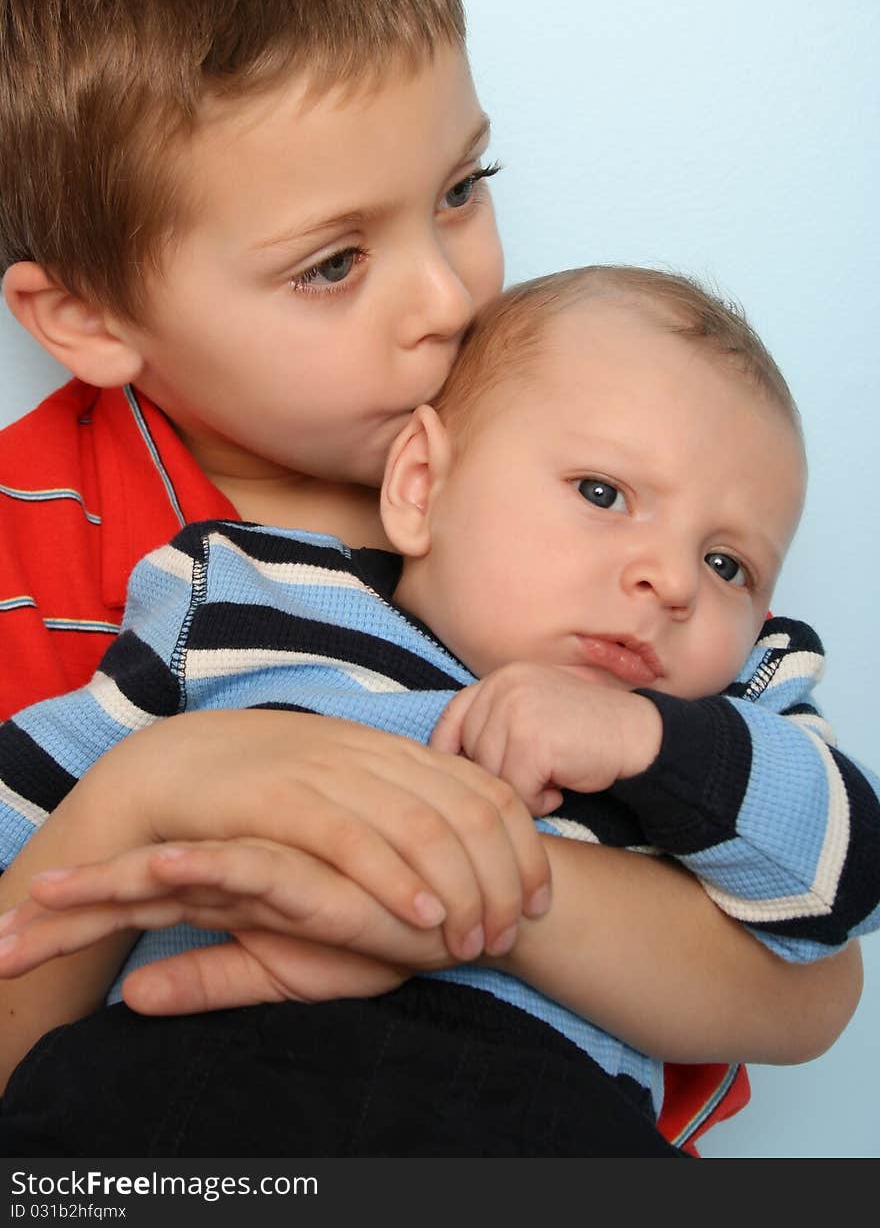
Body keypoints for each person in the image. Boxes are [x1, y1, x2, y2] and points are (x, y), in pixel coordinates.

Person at [0, 0, 861, 1153]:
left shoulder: (617, 487)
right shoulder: (67, 561)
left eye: (464, 189)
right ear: (88, 313)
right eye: (334, 262)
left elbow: (808, 988)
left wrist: (471, 893)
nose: (450, 299)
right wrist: (161, 785)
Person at [1, 265, 877, 1156]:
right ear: (421, 483)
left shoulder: (728, 710)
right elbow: (41, 805)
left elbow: (848, 883)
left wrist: (652, 743)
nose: (675, 582)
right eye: (604, 494)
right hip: (186, 1084)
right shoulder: (246, 600)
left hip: (538, 1120)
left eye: (730, 565)